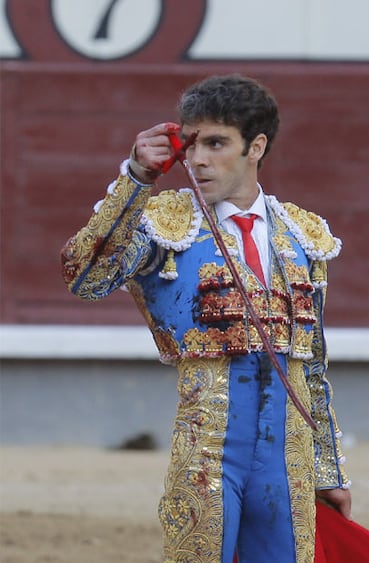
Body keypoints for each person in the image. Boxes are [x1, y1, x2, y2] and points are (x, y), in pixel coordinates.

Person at [61, 74, 352, 563]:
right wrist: (135, 179)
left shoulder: (303, 236)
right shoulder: (163, 224)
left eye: (217, 144)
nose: (197, 160)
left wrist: (329, 471)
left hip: (288, 460)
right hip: (208, 450)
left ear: (255, 147)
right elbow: (84, 277)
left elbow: (312, 365)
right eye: (192, 145)